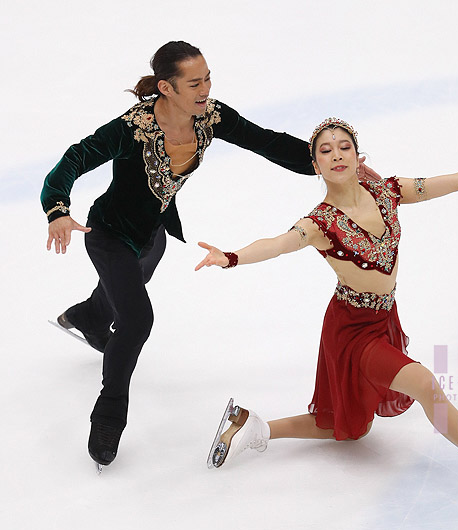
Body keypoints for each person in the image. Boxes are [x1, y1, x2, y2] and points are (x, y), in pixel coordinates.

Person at [195, 116, 458, 511]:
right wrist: (232, 257)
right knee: (425, 384)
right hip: (351, 330)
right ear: (315, 165)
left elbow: (457, 180)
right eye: (326, 150)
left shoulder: (389, 192)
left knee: (351, 427)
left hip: (384, 319)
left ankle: (254, 427)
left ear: (359, 156)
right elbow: (279, 244)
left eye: (344, 147)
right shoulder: (320, 223)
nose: (337, 155)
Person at [42, 42, 379, 470]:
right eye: (194, 82)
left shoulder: (211, 117)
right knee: (137, 318)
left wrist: (328, 163)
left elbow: (267, 142)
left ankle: (89, 316)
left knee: (132, 280)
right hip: (107, 235)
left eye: (208, 78)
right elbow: (73, 158)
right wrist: (58, 209)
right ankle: (109, 414)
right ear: (166, 88)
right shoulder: (132, 127)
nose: (205, 89)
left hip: (152, 235)